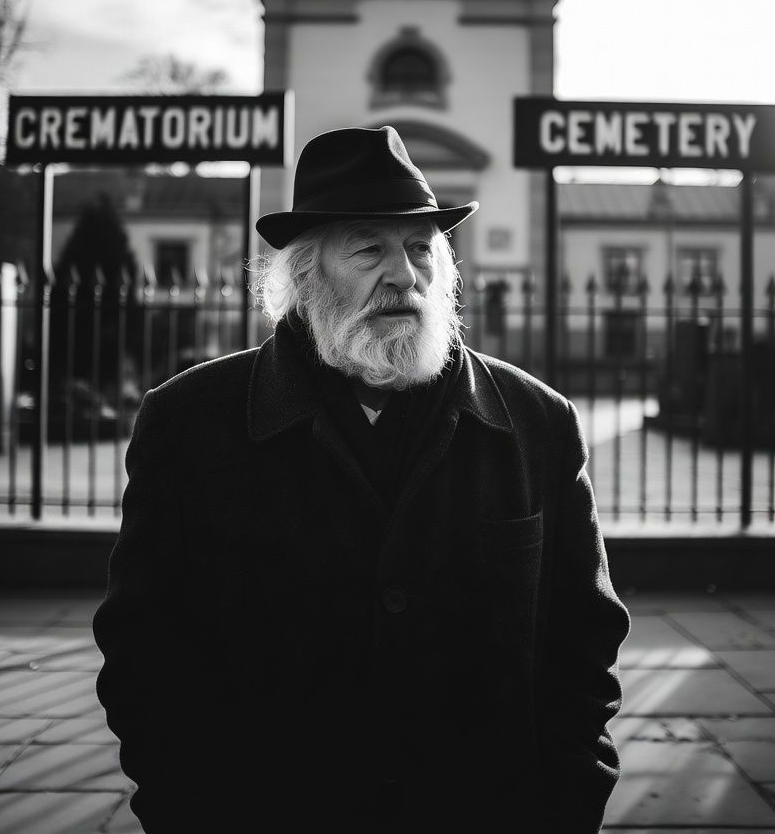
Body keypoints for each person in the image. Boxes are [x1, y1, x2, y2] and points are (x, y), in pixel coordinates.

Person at [94, 124, 630, 834]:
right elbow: (145, 653)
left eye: (420, 247)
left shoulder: (537, 423)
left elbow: (584, 643)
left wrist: (565, 807)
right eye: (369, 249)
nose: (404, 274)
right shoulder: (188, 425)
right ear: (305, 275)